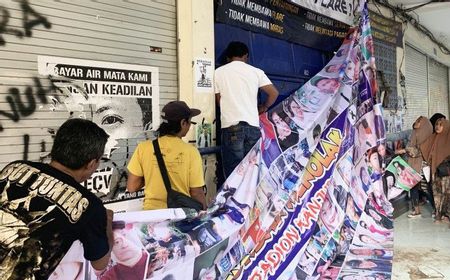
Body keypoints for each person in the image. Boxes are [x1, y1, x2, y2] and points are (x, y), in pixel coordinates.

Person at [0, 118, 113, 280]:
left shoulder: (15, 167)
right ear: (91, 164)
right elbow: (100, 264)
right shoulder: (89, 206)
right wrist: (107, 224)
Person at [214, 41, 279, 178]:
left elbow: (219, 101)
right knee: (251, 174)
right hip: (253, 128)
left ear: (228, 57)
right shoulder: (256, 72)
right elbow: (274, 93)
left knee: (234, 176)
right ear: (246, 56)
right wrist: (264, 107)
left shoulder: (218, 72)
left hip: (231, 128)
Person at [127, 101, 207, 210]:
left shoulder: (143, 148)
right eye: (189, 122)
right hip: (179, 215)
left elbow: (132, 187)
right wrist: (205, 213)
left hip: (151, 216)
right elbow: (196, 193)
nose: (189, 126)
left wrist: (152, 174)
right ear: (183, 123)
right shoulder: (191, 152)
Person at [395, 116, 433, 217]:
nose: (416, 122)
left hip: (421, 166)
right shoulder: (415, 134)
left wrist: (404, 150)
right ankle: (417, 211)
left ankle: (438, 211)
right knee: (415, 187)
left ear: (424, 125)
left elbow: (415, 151)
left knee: (425, 189)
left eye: (418, 121)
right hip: (414, 164)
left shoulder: (427, 137)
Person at [420, 118, 450, 222]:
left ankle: (446, 215)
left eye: (441, 125)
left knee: (447, 194)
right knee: (436, 194)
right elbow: (421, 148)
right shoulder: (433, 138)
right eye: (437, 124)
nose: (438, 126)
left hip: (447, 173)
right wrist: (406, 150)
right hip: (435, 172)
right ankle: (439, 215)